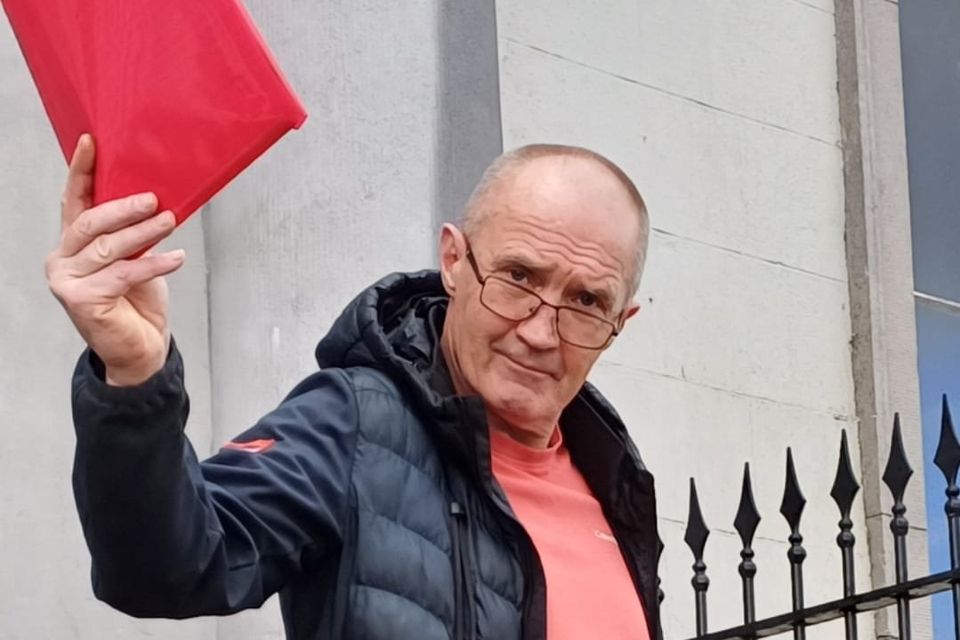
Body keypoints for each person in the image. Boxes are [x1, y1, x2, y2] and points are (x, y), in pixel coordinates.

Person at [46, 134, 660, 640]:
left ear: (620, 323)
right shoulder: (357, 423)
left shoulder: (615, 482)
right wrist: (135, 376)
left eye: (586, 301)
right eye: (519, 275)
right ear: (453, 260)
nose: (541, 331)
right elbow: (164, 568)